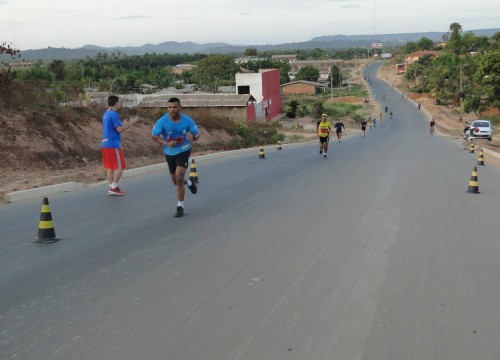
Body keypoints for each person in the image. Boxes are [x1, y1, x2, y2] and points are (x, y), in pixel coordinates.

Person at [151, 97, 200, 217]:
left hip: (183, 150)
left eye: (174, 107)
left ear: (180, 108)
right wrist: (166, 143)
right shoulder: (162, 121)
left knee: (179, 176)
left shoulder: (187, 121)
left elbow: (197, 133)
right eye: (170, 107)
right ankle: (189, 183)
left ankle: (180, 206)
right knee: (176, 181)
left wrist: (193, 138)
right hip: (169, 152)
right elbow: (154, 136)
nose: (172, 110)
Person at [101, 95, 139, 196]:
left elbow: (114, 127)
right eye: (118, 102)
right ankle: (114, 187)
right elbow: (120, 129)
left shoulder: (106, 113)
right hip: (113, 144)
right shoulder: (114, 114)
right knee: (119, 167)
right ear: (116, 103)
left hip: (105, 143)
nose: (119, 104)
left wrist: (124, 123)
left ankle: (111, 186)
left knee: (110, 167)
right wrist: (130, 123)